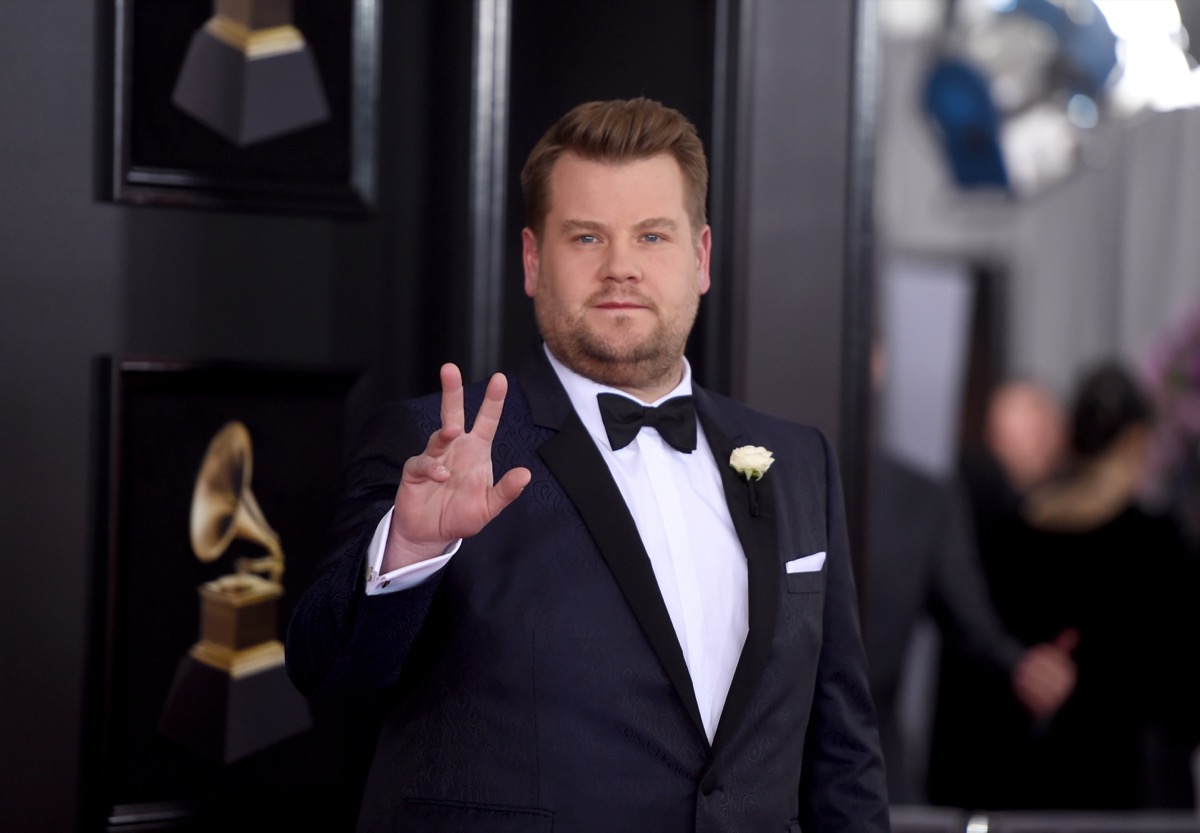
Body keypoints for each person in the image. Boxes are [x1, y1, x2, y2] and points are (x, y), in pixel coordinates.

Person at [285, 98, 890, 832]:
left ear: (700, 258)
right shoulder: (432, 444)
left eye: (652, 235)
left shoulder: (797, 460)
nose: (621, 267)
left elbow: (843, 754)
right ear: (534, 260)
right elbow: (329, 676)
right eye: (586, 236)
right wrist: (409, 549)